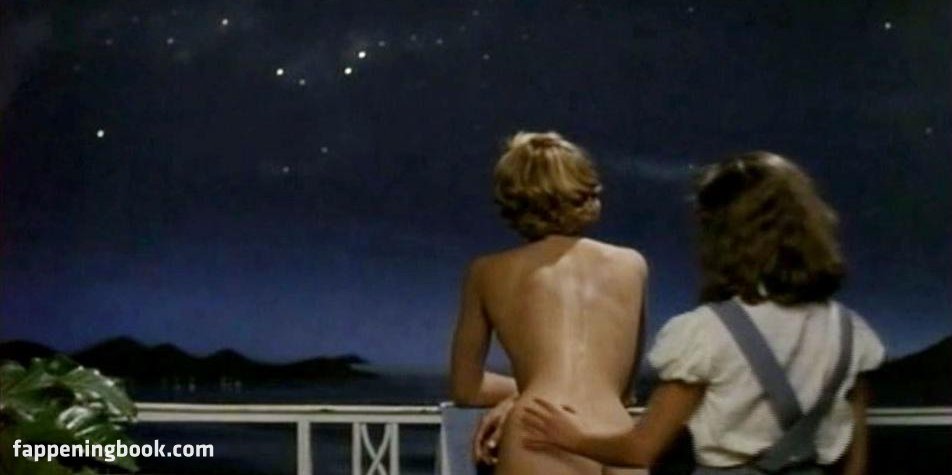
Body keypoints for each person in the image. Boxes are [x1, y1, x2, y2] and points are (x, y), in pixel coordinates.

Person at [518, 151, 885, 474]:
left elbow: (641, 450)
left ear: (723, 237)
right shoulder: (850, 331)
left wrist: (571, 437)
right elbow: (856, 460)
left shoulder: (708, 334)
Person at [449, 131, 648, 475]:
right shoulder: (632, 265)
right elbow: (624, 390)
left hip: (539, 429)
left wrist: (529, 392)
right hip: (616, 433)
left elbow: (466, 388)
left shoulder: (487, 272)